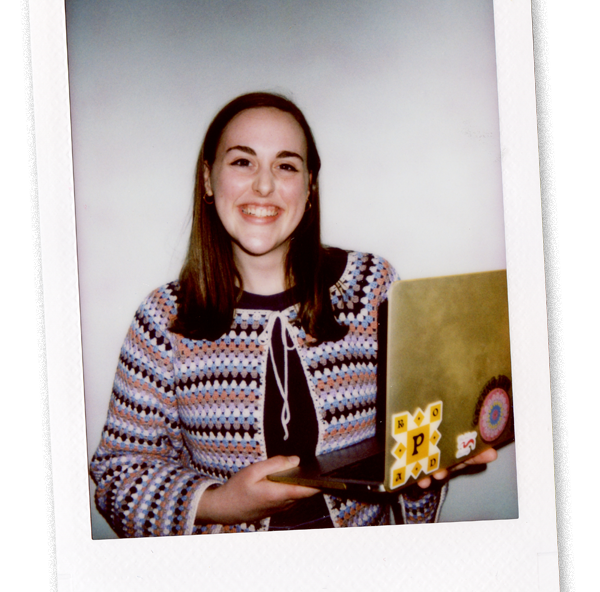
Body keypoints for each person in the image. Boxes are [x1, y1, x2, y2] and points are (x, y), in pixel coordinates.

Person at [90, 91, 496, 537]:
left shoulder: (372, 286)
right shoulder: (164, 317)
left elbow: (405, 446)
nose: (264, 186)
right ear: (208, 180)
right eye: (242, 162)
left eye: (286, 165)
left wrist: (426, 474)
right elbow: (118, 473)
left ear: (309, 186)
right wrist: (221, 503)